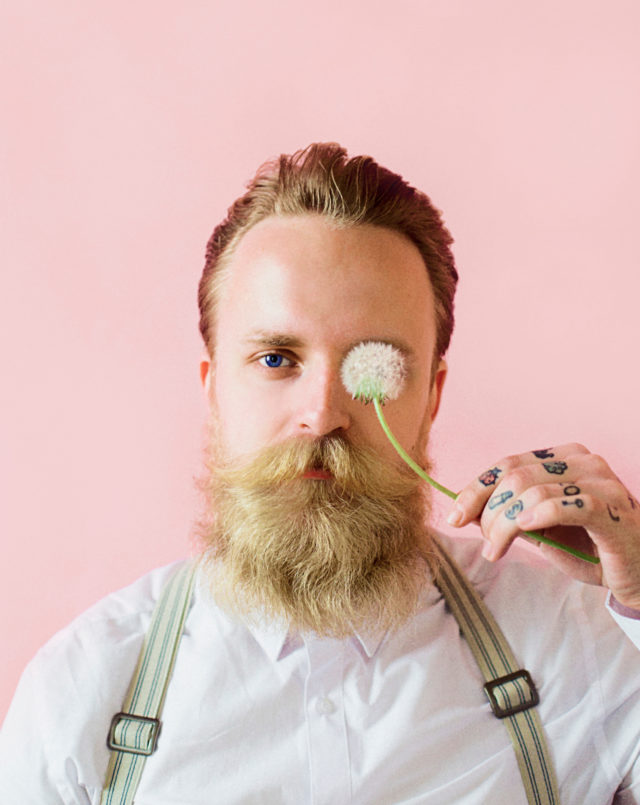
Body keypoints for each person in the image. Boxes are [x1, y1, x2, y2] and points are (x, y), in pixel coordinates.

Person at [1, 143, 639, 804]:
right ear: (214, 388)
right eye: (277, 358)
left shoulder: (581, 647)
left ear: (432, 396)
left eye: (377, 366)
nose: (323, 413)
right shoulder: (81, 695)